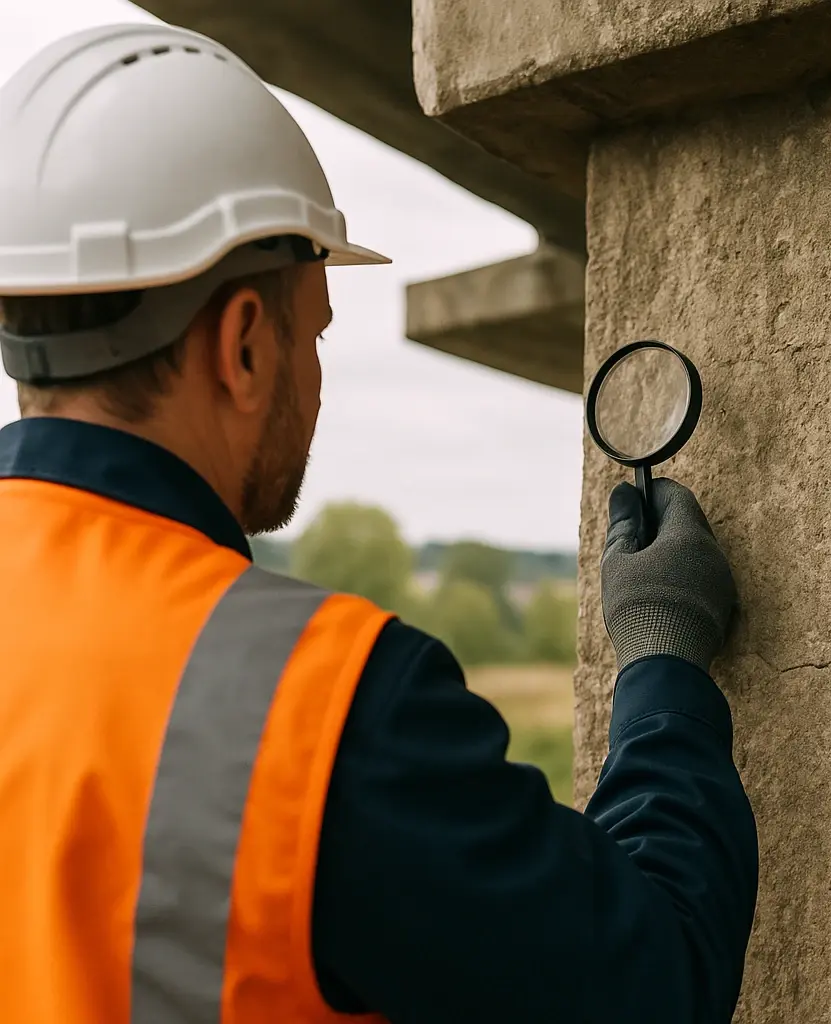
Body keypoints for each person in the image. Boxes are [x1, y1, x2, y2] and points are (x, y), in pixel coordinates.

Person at [0, 21, 758, 1024]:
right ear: (243, 346)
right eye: (314, 332)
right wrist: (665, 658)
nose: (316, 383)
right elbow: (653, 985)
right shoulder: (316, 704)